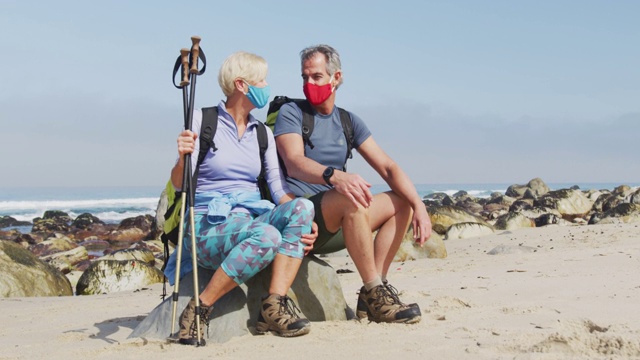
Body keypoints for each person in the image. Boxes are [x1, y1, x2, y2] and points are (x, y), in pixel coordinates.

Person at [164, 51, 317, 345]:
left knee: (304, 206)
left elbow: (278, 188)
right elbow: (178, 183)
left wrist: (303, 220)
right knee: (268, 236)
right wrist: (183, 157)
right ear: (242, 85)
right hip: (206, 225)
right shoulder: (202, 121)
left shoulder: (262, 133)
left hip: (247, 219)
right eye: (261, 79)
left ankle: (273, 305)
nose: (266, 85)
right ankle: (199, 308)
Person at [274, 44, 432, 324]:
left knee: (402, 202)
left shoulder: (347, 121)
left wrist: (419, 204)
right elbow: (293, 161)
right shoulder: (291, 113)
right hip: (306, 220)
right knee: (352, 199)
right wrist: (335, 176)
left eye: (317, 77)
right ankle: (375, 291)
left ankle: (374, 292)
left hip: (343, 221)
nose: (308, 84)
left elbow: (388, 166)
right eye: (304, 77)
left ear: (336, 78)